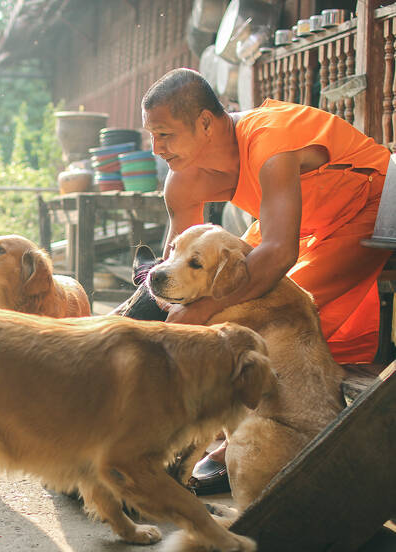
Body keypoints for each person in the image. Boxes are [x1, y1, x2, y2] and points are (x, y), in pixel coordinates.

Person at [140, 68, 392, 493]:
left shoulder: (270, 140)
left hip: (373, 207)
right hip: (297, 225)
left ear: (204, 123)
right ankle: (205, 434)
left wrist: (202, 309)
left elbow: (277, 253)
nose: (155, 147)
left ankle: (233, 446)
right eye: (152, 135)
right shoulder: (181, 182)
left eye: (164, 134)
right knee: (220, 297)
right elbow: (178, 267)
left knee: (282, 309)